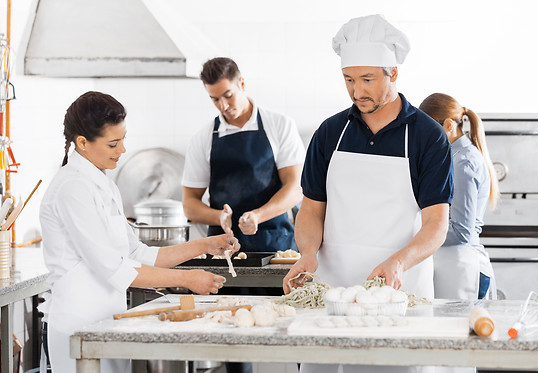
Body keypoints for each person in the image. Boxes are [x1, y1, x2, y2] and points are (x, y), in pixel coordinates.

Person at [283, 14, 453, 373]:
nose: (357, 91)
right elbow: (312, 210)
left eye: (367, 79)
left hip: (399, 297)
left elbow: (436, 223)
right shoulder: (330, 133)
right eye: (348, 79)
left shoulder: (427, 136)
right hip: (331, 296)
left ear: (393, 74)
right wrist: (308, 254)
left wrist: (399, 262)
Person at [39, 91, 240, 373]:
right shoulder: (72, 189)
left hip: (107, 324)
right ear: (82, 143)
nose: (122, 150)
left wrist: (204, 245)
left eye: (123, 139)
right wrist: (188, 279)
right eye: (113, 143)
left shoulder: (103, 182)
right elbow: (116, 269)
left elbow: (137, 253)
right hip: (78, 328)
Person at [182, 57, 305, 253]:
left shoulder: (280, 125)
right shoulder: (202, 138)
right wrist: (219, 217)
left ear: (242, 84)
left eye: (228, 95)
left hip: (274, 247)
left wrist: (258, 215)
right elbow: (189, 204)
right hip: (224, 250)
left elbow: (296, 187)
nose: (223, 105)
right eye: (215, 99)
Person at [420, 93, 499, 301]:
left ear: (448, 125)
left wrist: (419, 236)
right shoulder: (451, 156)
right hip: (453, 264)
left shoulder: (463, 162)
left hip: (464, 267)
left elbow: (461, 231)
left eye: (428, 131)